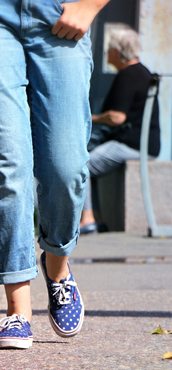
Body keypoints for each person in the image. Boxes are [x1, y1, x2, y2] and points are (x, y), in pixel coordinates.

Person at [0, 0, 109, 349]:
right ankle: (18, 311)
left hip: (61, 12)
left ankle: (57, 267)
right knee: (6, 162)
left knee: (65, 166)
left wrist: (91, 4)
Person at [79, 25, 160, 234]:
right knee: (91, 165)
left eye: (108, 49)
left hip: (131, 144)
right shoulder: (141, 72)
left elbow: (117, 117)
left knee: (83, 165)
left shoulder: (129, 75)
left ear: (116, 51)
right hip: (143, 143)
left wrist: (89, 117)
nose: (106, 53)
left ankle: (88, 218)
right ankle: (96, 218)